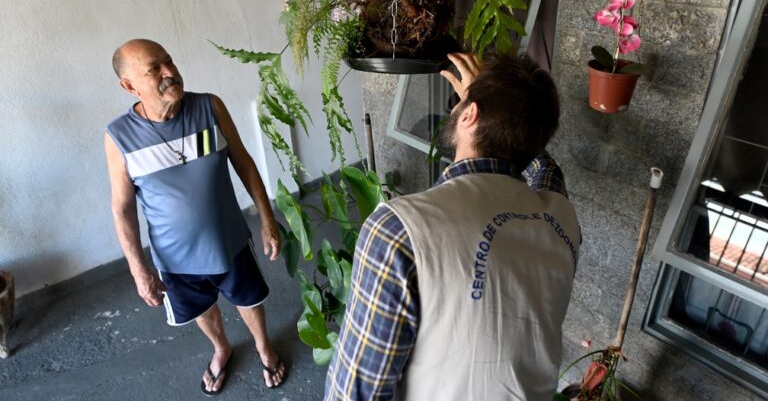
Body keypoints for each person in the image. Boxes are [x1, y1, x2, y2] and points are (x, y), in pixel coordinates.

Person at [324, 53, 581, 400]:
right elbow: (546, 170)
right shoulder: (561, 218)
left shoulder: (400, 231)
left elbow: (353, 394)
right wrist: (500, 111)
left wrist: (485, 103)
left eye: (461, 105)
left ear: (469, 114)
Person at [104, 39, 286, 395]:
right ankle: (222, 348)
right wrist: (138, 269)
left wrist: (267, 219)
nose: (170, 72)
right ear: (129, 86)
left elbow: (244, 162)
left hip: (229, 241)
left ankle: (264, 346)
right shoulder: (119, 137)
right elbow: (122, 207)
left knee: (249, 299)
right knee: (202, 309)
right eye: (154, 68)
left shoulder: (210, 107)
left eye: (169, 61)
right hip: (175, 258)